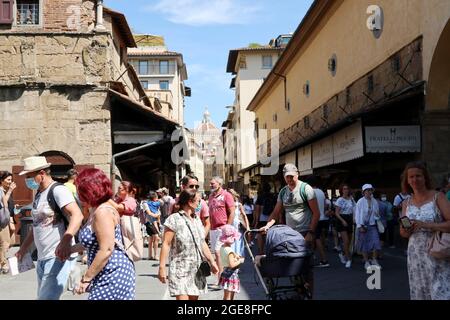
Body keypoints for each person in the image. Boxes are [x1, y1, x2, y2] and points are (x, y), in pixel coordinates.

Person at [15, 156, 83, 300]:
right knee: (44, 296)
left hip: (57, 255)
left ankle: (72, 269)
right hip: (42, 257)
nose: (27, 180)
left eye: (29, 176)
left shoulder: (58, 190)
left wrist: (66, 240)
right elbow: (36, 226)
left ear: (42, 173)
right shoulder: (39, 194)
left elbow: (77, 215)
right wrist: (23, 248)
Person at [73, 168, 135, 299]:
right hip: (107, 272)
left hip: (111, 272)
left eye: (80, 189)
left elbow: (106, 249)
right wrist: (70, 249)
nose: (78, 194)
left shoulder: (102, 212)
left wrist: (86, 279)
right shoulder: (97, 209)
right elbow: (95, 242)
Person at [260, 163, 320, 296]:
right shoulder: (283, 191)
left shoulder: (306, 189)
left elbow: (316, 213)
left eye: (291, 176)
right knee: (292, 265)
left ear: (297, 174)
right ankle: (299, 291)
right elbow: (276, 212)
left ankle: (310, 294)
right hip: (291, 234)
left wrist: (311, 232)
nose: (289, 179)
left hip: (305, 232)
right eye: (287, 177)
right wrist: (268, 225)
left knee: (306, 268)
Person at [399, 161, 450, 300]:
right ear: (407, 181)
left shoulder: (438, 196)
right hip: (415, 254)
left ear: (425, 177)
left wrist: (426, 225)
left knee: (440, 291)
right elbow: (403, 233)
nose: (415, 179)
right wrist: (406, 229)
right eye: (411, 177)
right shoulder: (406, 203)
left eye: (418, 176)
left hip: (436, 250)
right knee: (420, 290)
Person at [158, 189, 218, 300]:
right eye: (198, 201)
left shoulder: (197, 220)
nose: (200, 204)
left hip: (196, 269)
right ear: (190, 202)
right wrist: (162, 267)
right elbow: (166, 243)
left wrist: (212, 261)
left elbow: (202, 242)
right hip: (179, 269)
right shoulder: (174, 219)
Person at [208, 176, 235, 284]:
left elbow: (232, 211)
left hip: (222, 228)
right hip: (213, 229)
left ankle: (221, 278)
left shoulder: (227, 195)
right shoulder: (211, 196)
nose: (210, 185)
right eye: (210, 183)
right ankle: (226, 276)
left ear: (219, 184)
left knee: (219, 252)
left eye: (212, 183)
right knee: (217, 253)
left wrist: (227, 226)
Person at [354, 184, 382, 270]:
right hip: (363, 225)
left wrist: (377, 216)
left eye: (370, 190)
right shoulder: (360, 201)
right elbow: (357, 215)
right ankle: (366, 262)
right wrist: (359, 226)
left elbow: (377, 214)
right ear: (363, 192)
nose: (369, 192)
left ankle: (374, 260)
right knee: (364, 244)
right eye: (367, 190)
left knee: (376, 242)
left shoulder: (374, 201)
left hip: (372, 225)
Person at [218, 224, 244, 300]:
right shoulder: (230, 251)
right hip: (231, 275)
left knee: (226, 295)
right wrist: (240, 261)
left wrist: (235, 256)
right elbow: (232, 265)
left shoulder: (223, 247)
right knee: (229, 296)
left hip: (225, 272)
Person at [308, 176, 329, 268]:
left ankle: (324, 259)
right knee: (317, 237)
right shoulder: (321, 192)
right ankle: (313, 255)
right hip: (322, 218)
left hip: (314, 219)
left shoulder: (310, 192)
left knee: (316, 239)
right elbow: (325, 205)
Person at [334, 184, 356, 268]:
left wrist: (354, 218)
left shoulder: (352, 199)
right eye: (344, 189)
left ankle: (343, 254)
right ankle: (348, 259)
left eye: (347, 189)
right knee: (346, 241)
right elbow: (336, 213)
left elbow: (355, 209)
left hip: (350, 219)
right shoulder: (339, 200)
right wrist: (343, 221)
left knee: (349, 241)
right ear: (341, 190)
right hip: (342, 219)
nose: (346, 190)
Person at [253, 183, 277, 255]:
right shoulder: (273, 196)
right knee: (271, 234)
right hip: (272, 219)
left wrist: (256, 221)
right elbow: (276, 209)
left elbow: (257, 209)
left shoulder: (260, 197)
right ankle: (270, 250)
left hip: (262, 219)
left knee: (260, 234)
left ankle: (261, 250)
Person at [0, 171, 16, 274]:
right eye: (8, 179)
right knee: (4, 242)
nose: (10, 182)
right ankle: (3, 263)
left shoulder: (3, 190)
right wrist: (10, 191)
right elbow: (3, 204)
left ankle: (2, 261)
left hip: (6, 219)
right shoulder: (1, 190)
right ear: (1, 180)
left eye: (11, 179)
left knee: (10, 242)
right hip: (2, 220)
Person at [227, 189, 250, 257]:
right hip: (230, 227)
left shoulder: (239, 205)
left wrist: (247, 226)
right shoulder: (226, 205)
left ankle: (238, 259)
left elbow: (244, 215)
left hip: (238, 227)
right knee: (231, 244)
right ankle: (232, 260)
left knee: (238, 244)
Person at [143, 191, 162, 260]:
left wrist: (159, 222)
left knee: (151, 238)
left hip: (155, 222)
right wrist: (157, 215)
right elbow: (148, 213)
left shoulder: (155, 204)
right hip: (150, 222)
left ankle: (150, 255)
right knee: (155, 237)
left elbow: (158, 211)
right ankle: (155, 255)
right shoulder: (145, 203)